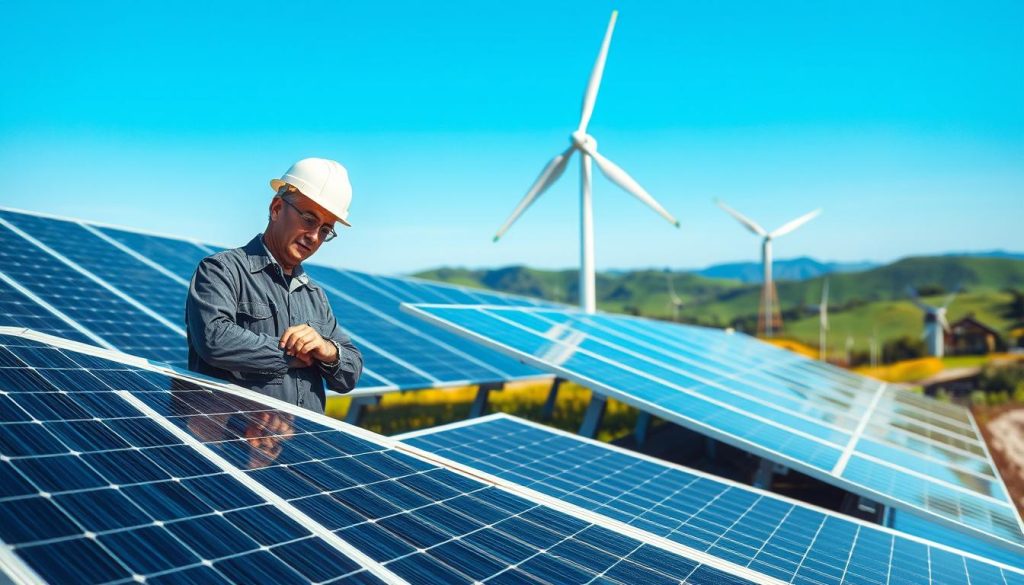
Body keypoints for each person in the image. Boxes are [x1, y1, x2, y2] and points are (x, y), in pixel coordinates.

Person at [185, 158, 363, 413]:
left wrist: (327, 350)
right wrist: (294, 354)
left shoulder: (314, 296)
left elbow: (351, 373)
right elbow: (215, 340)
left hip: (304, 446)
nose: (314, 237)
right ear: (277, 208)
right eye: (309, 219)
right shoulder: (221, 271)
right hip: (236, 444)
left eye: (325, 230)